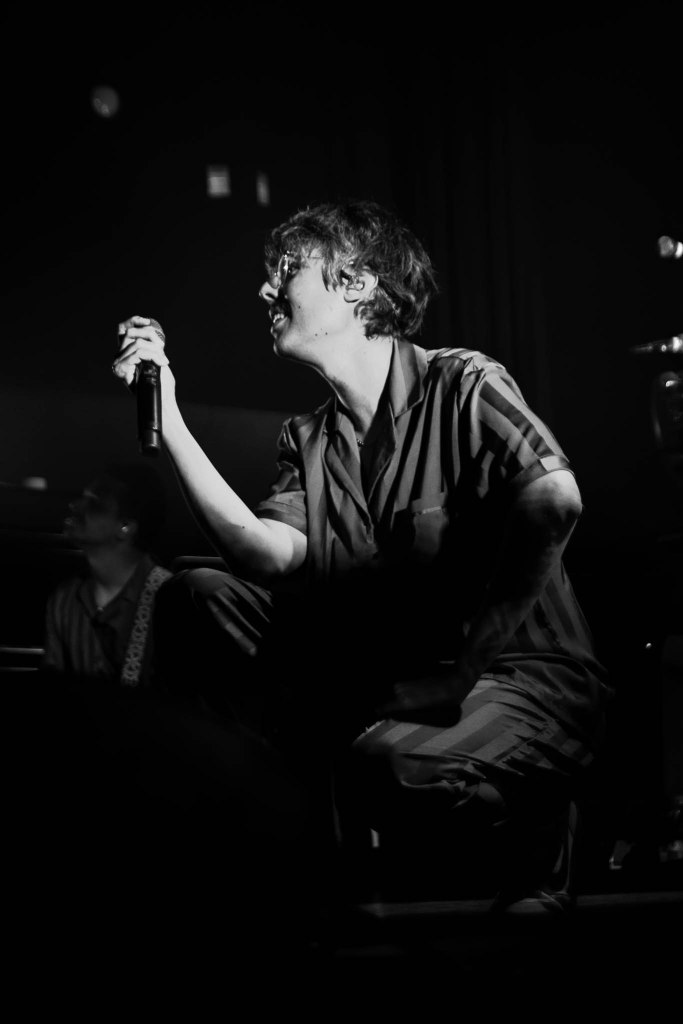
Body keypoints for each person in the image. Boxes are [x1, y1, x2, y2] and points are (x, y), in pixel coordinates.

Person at [112, 199, 610, 919]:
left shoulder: (464, 382)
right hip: (399, 678)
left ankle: (537, 815)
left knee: (390, 766)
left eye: (288, 268)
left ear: (356, 283)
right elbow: (262, 555)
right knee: (202, 593)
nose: (267, 288)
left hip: (517, 677)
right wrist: (171, 412)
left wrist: (462, 671)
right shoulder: (308, 438)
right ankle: (259, 835)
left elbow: (555, 500)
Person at [42, 460, 170, 687]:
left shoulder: (169, 598)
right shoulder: (64, 599)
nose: (75, 505)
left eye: (95, 503)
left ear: (125, 526)